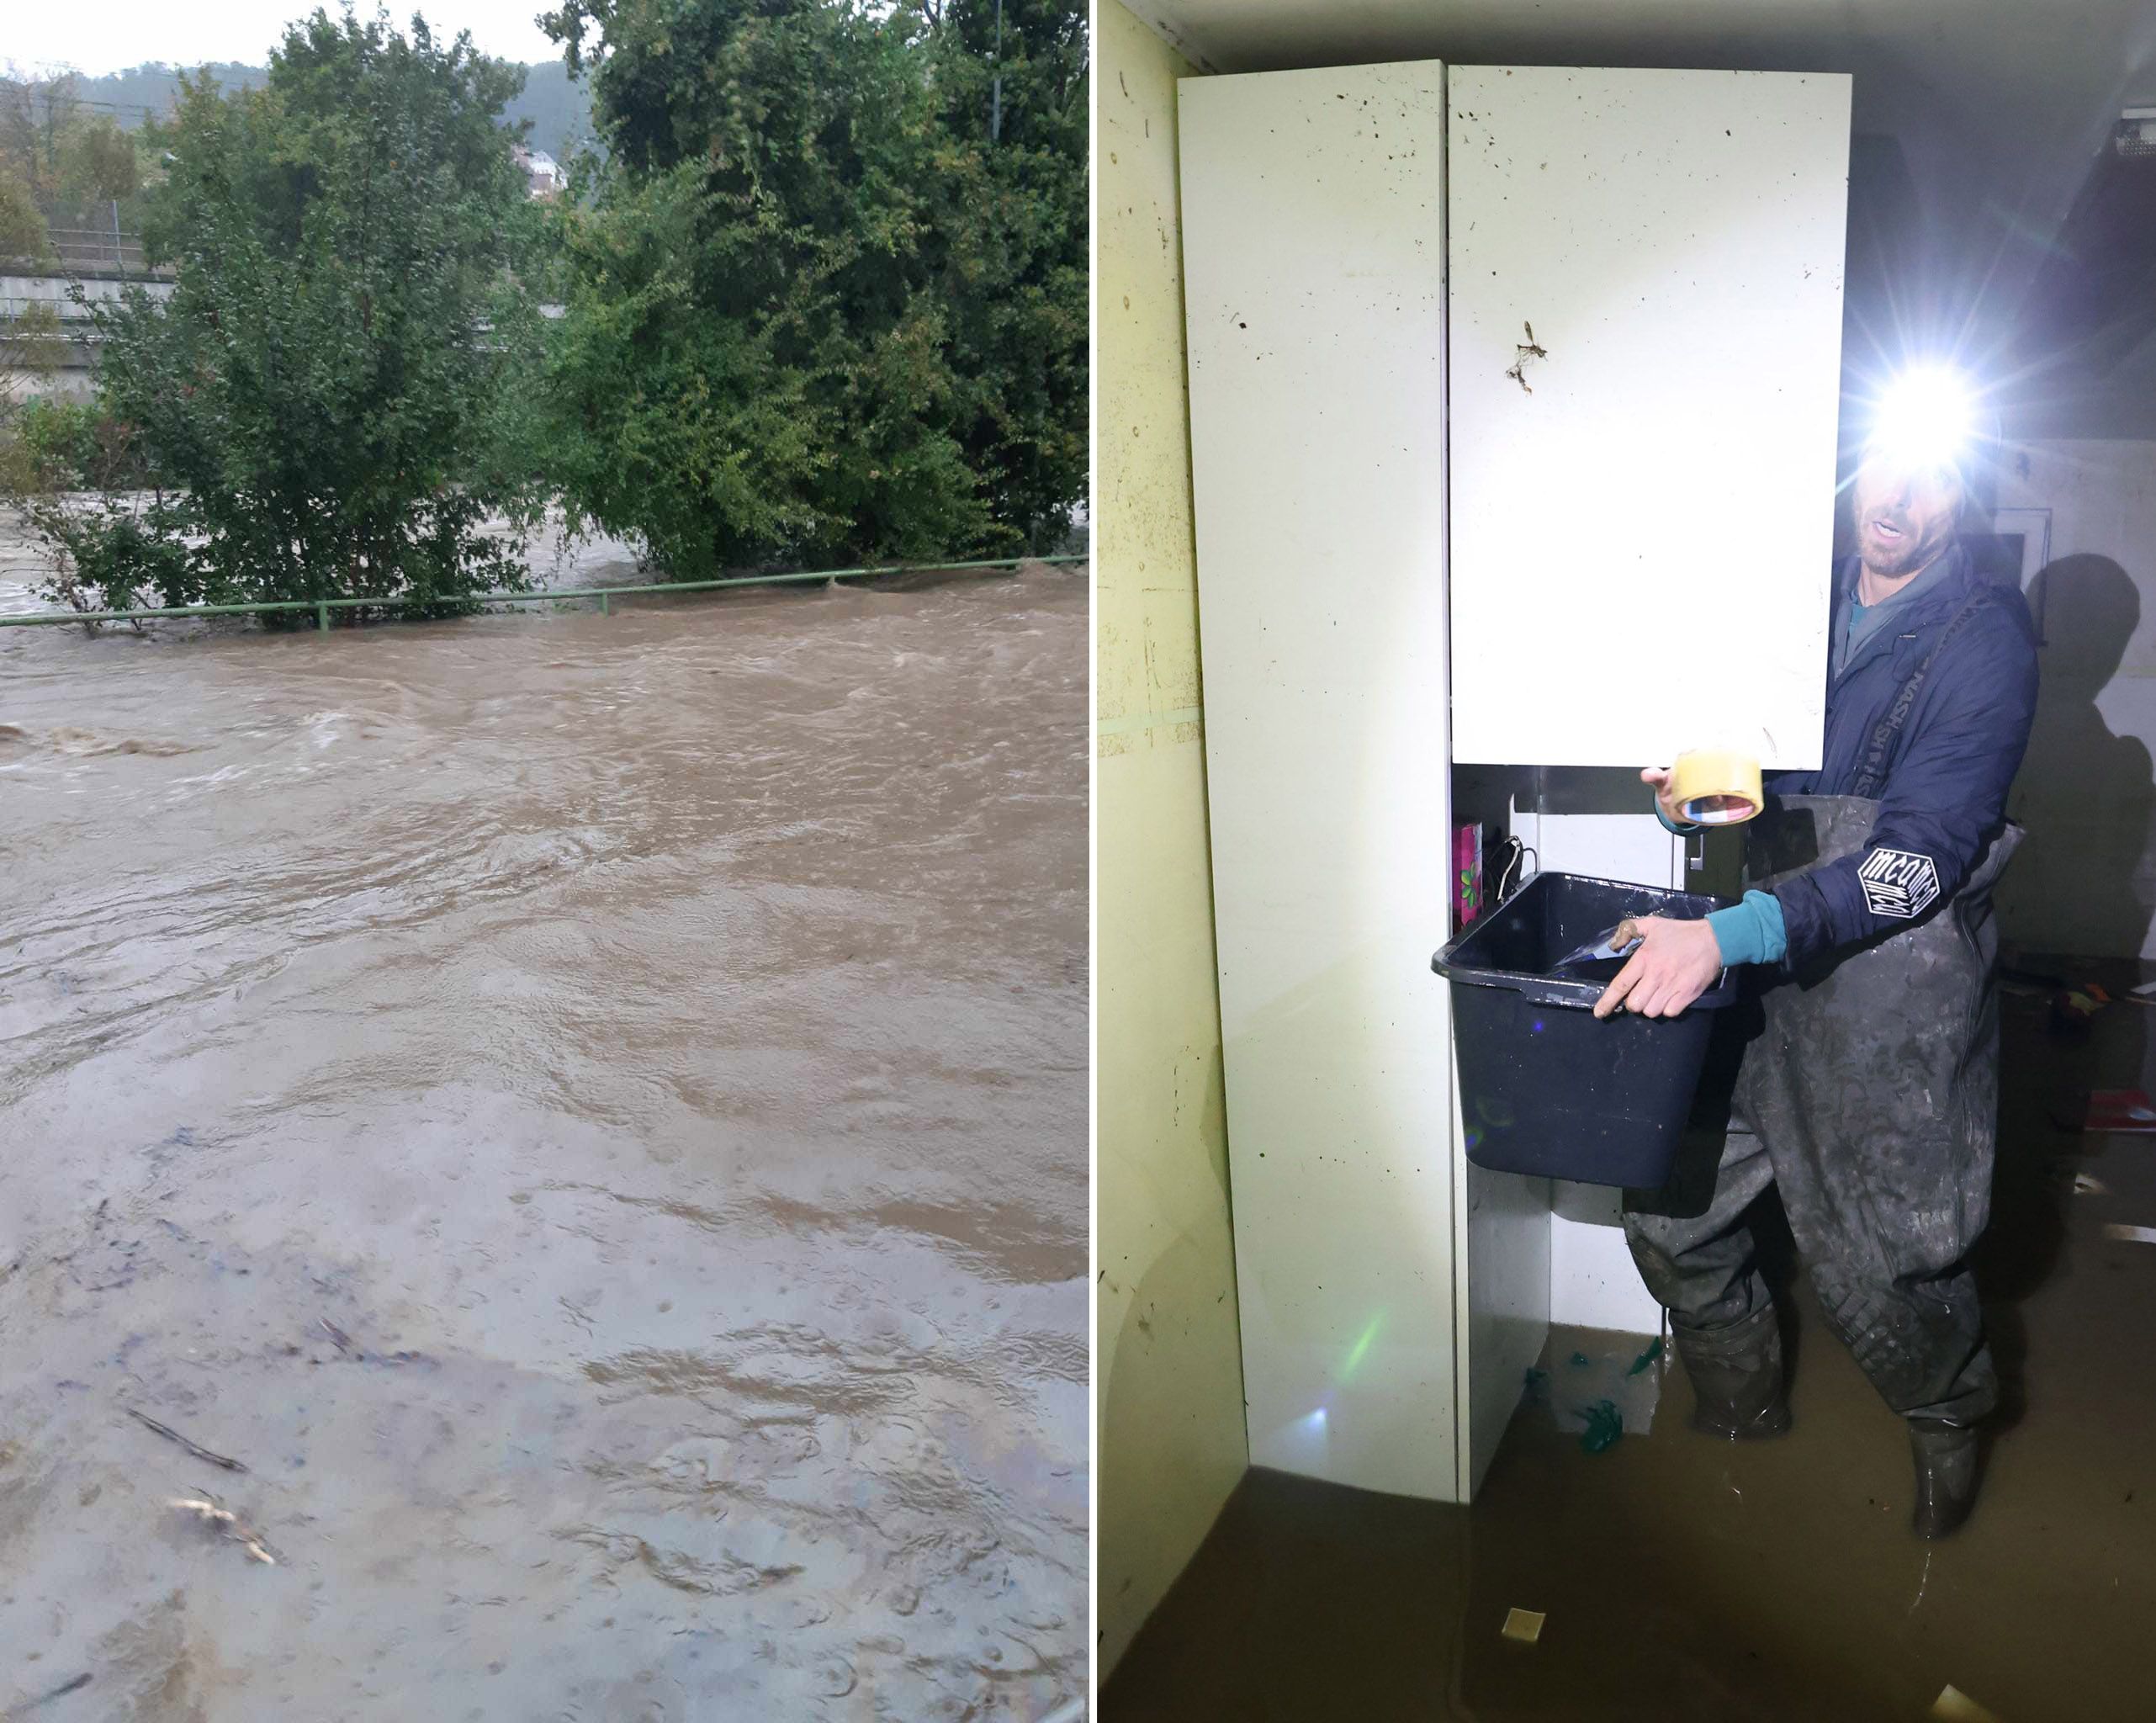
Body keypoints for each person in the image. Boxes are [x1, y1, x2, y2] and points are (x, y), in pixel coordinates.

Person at [1591, 425, 2039, 1539]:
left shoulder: (1985, 641)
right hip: (1762, 957)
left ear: (1965, 497)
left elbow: (1912, 863)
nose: (1901, 495)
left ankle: (1946, 1428)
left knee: (1898, 1256)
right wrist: (1691, 798)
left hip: (1895, 986)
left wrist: (1729, 934)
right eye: (1890, 459)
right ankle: (1741, 1416)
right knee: (1672, 1210)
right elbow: (1763, 785)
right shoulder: (1798, 602)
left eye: (1937, 474)